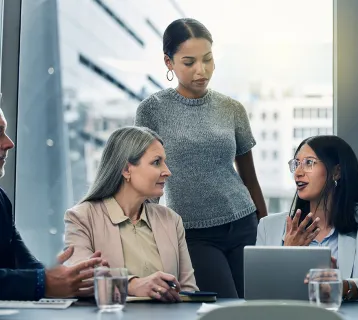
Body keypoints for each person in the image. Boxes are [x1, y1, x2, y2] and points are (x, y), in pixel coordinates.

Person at [135, 18, 267, 298]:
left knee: (257, 307)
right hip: (193, 232)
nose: (201, 70)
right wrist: (143, 238)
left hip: (244, 223)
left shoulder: (232, 109)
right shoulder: (151, 110)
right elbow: (147, 181)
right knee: (224, 309)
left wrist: (268, 235)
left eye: (207, 60)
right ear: (169, 63)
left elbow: (250, 179)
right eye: (189, 62)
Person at [63, 126, 198, 302]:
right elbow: (79, 280)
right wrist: (133, 285)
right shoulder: (81, 218)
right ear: (127, 170)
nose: (167, 171)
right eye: (156, 162)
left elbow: (188, 291)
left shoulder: (171, 220)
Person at [256, 135, 358, 301]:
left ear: (336, 172)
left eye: (309, 163)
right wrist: (287, 253)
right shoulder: (268, 226)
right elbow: (261, 291)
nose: (298, 173)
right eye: (296, 164)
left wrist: (341, 286)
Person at [0, 107, 104, 300]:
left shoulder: (1, 200)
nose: (9, 143)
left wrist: (65, 278)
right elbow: (36, 279)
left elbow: (24, 262)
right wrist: (42, 282)